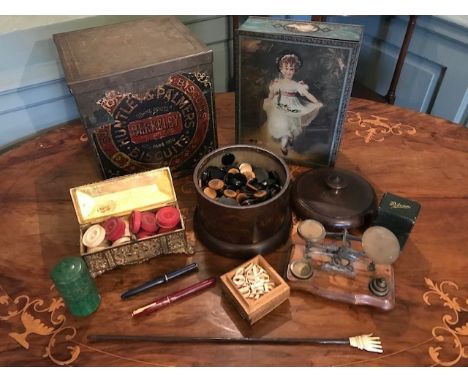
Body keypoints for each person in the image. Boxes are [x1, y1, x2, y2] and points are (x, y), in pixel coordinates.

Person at [263, 52, 323, 155]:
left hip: (293, 107)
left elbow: (307, 94)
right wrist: (269, 99)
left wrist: (316, 102)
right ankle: (283, 146)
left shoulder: (296, 85)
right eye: (286, 68)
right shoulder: (278, 83)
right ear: (281, 69)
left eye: (291, 69)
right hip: (279, 107)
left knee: (292, 127)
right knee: (283, 127)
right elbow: (272, 93)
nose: (288, 72)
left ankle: (289, 139)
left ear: (295, 71)